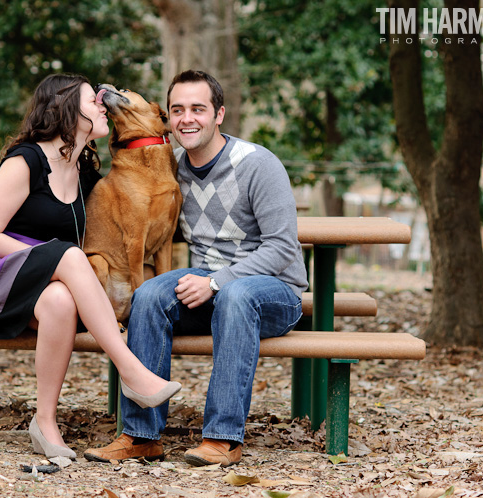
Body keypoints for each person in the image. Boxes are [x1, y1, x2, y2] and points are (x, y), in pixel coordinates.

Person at [0, 73, 181, 460]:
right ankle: (132, 371)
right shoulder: (26, 161)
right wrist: (50, 257)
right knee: (69, 255)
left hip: (44, 291)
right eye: (93, 102)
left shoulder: (86, 171)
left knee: (60, 300)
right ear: (67, 111)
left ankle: (45, 421)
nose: (103, 106)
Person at [85, 70, 308, 467]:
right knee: (149, 295)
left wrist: (216, 281)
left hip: (273, 291)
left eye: (198, 109)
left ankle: (222, 439)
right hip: (205, 289)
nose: (187, 118)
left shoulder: (258, 164)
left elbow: (281, 247)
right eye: (178, 110)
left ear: (219, 114)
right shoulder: (170, 167)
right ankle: (140, 435)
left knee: (236, 295)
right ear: (166, 118)